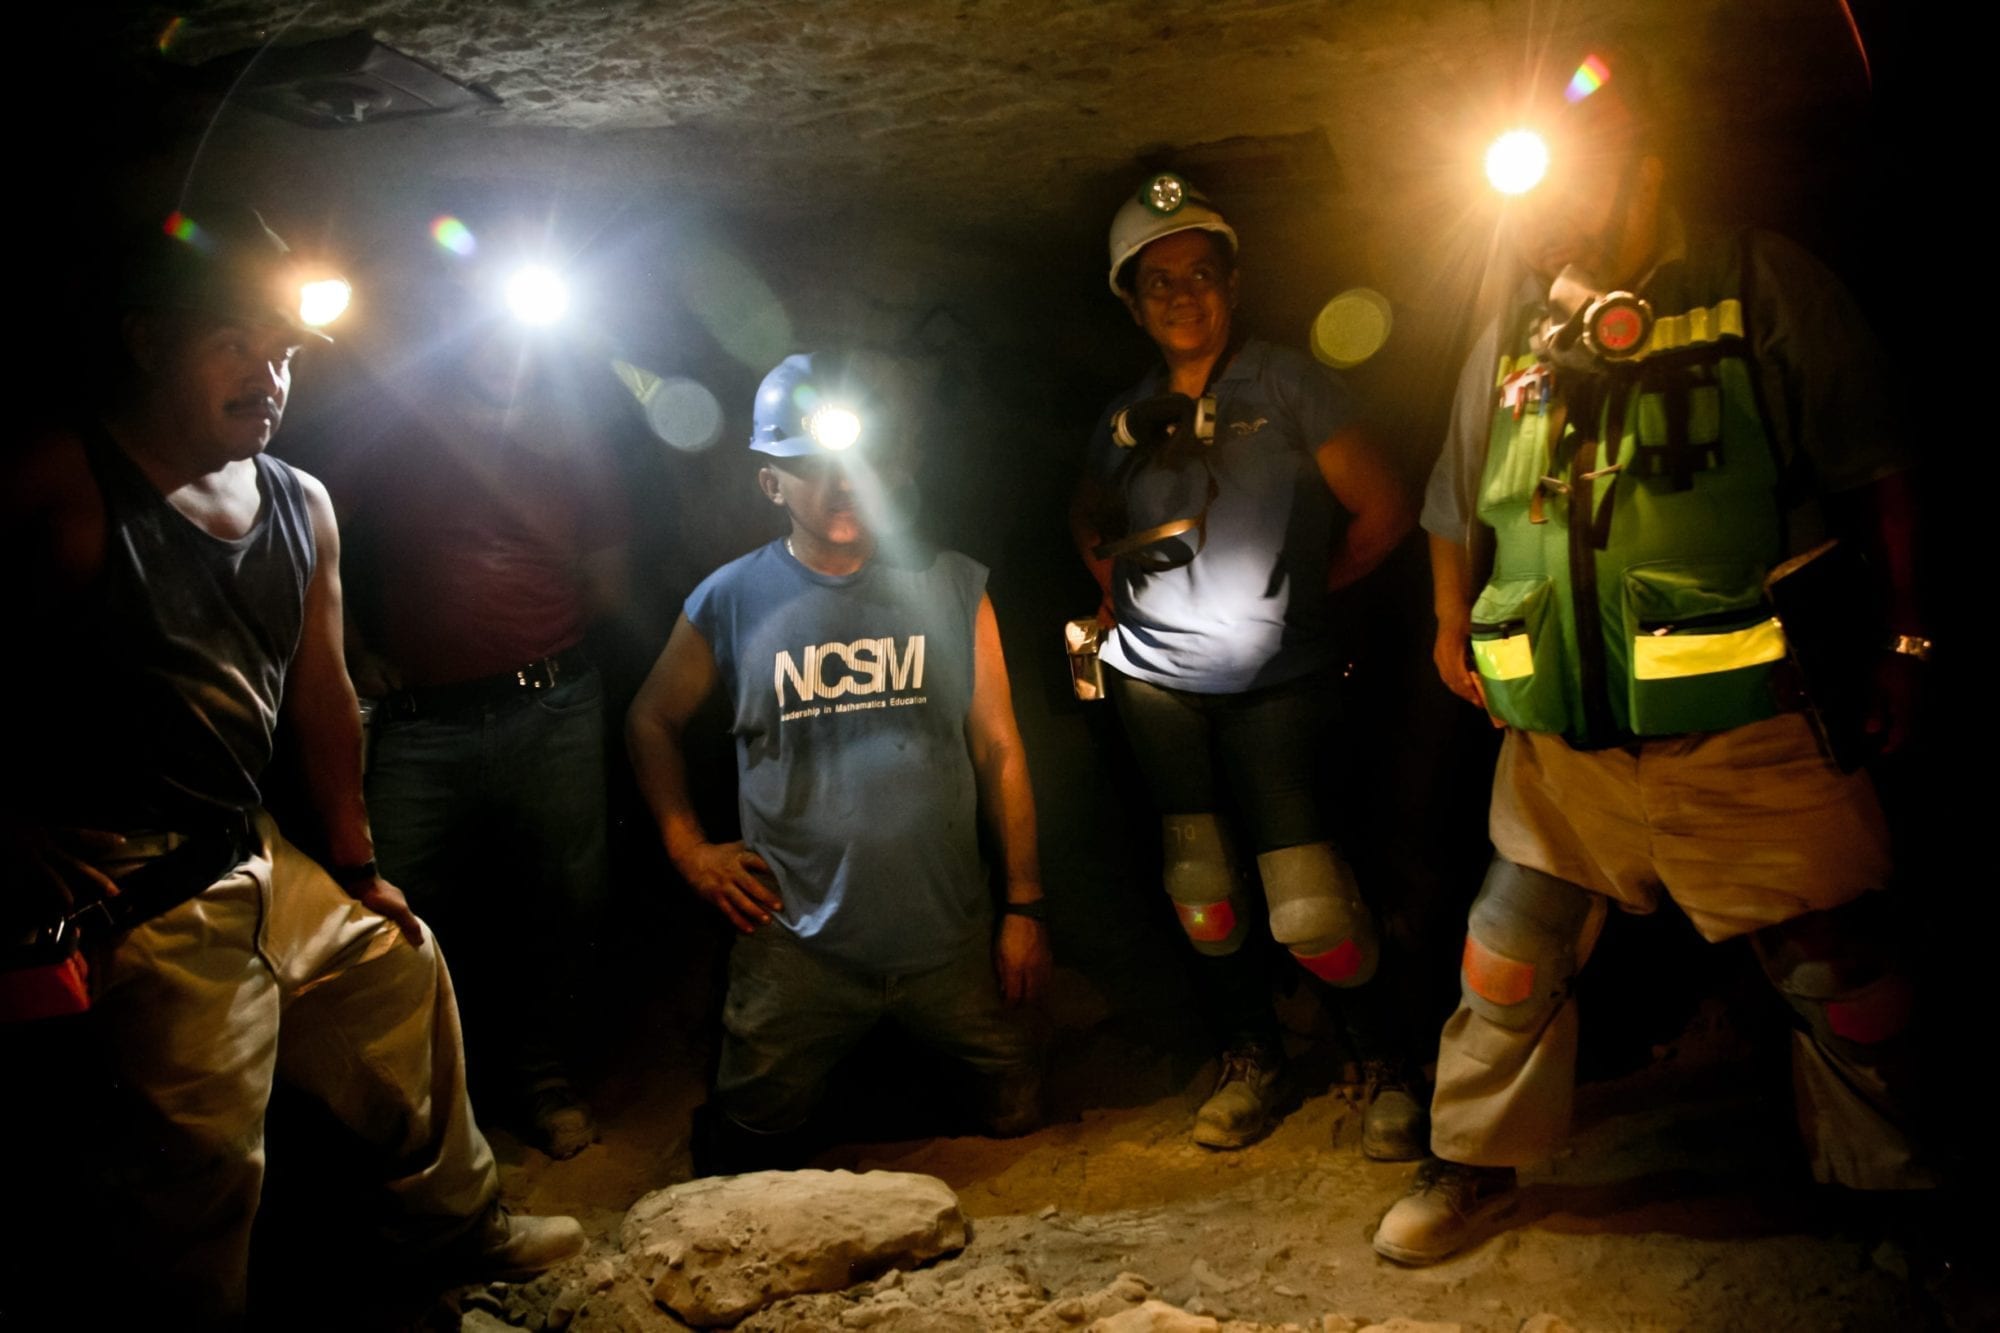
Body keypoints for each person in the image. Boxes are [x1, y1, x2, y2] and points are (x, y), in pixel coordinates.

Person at [1374, 51, 1934, 1266]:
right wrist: (1442, 621)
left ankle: (1902, 1199)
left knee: (1840, 975)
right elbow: (1449, 497)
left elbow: (1874, 466)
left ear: (1639, 157)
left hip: (1754, 728)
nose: (1539, 208)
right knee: (1505, 956)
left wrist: (1898, 641)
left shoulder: (1755, 284)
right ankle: (1467, 1162)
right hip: (1562, 748)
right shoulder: (1514, 328)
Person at [0, 206, 581, 1321]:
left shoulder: (298, 501)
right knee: (201, 1161)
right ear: (148, 339)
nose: (268, 376)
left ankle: (459, 1227)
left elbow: (321, 695)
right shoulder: (66, 479)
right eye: (237, 343)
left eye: (284, 353)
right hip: (136, 882)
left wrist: (357, 870)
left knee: (399, 972)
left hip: (253, 853)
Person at [625, 352, 1051, 1171]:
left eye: (856, 463)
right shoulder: (730, 598)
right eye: (808, 468)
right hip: (795, 946)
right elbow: (650, 718)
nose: (838, 486)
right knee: (747, 1146)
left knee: (1018, 1112)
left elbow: (1000, 746)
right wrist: (691, 852)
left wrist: (1025, 908)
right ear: (771, 485)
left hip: (947, 937)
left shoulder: (953, 586)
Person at [1071, 176, 1420, 1155]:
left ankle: (1380, 1059)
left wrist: (1304, 593)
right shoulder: (1123, 416)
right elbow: (1085, 511)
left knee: (1306, 895)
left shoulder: (1289, 384)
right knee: (1202, 891)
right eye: (1157, 282)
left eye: (1199, 274)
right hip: (1153, 685)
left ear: (1231, 280)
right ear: (1131, 302)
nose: (1181, 297)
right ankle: (1250, 1057)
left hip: (1277, 683)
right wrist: (1110, 587)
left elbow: (1385, 507)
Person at [332, 295, 630, 1161]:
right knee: (397, 904)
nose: (507, 355)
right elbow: (314, 530)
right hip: (423, 719)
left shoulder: (577, 442)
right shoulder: (396, 431)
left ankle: (540, 1076)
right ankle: (422, 1099)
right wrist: (353, 648)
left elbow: (610, 579)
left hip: (553, 703)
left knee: (564, 896)